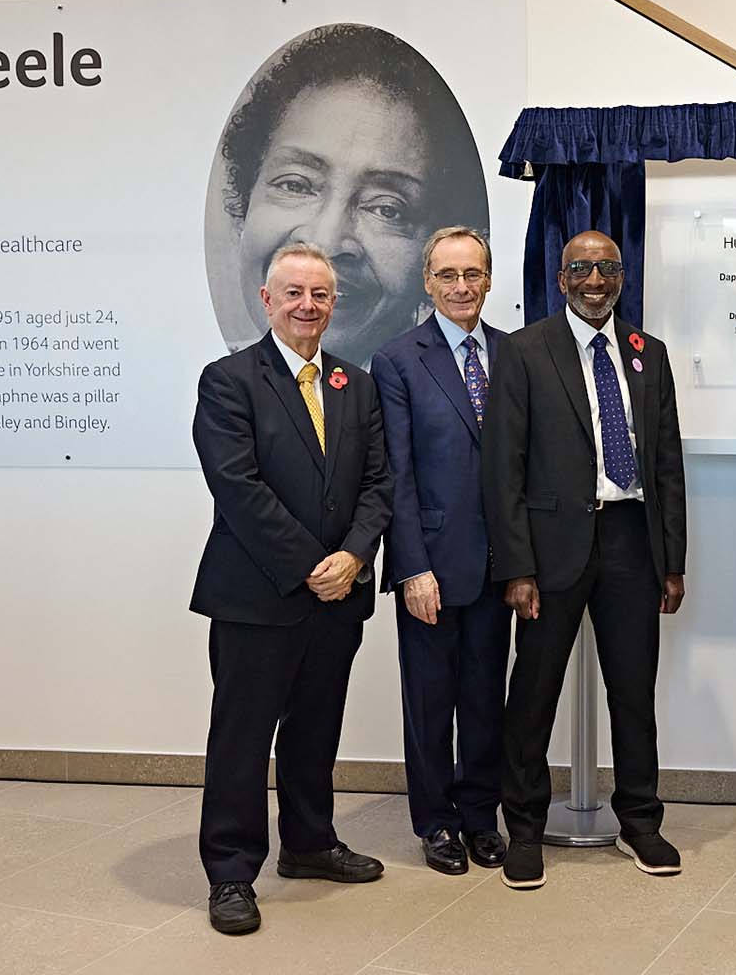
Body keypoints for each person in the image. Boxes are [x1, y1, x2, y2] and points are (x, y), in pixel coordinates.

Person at [189, 242, 394, 935]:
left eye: (321, 295)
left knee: (316, 729)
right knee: (242, 738)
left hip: (337, 596)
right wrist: (316, 563)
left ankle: (308, 844)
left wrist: (355, 557)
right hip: (259, 596)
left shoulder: (356, 386)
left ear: (334, 305)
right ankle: (230, 871)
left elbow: (377, 484)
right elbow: (240, 490)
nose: (309, 305)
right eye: (295, 293)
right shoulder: (228, 381)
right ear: (266, 300)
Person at [482, 230, 688, 890]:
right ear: (562, 275)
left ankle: (641, 821)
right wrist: (516, 567)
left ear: (621, 275)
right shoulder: (523, 351)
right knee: (533, 694)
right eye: (581, 268)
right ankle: (523, 829)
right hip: (549, 551)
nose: (595, 279)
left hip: (632, 541)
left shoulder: (646, 353)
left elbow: (667, 467)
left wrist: (672, 560)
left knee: (634, 691)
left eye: (606, 267)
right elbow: (502, 468)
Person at [205, 22, 491, 367]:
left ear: (428, 260)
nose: (324, 241)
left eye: (386, 208)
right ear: (246, 199)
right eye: (295, 184)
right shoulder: (225, 384)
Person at [371, 226, 512, 876]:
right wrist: (411, 567)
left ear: (489, 278)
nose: (462, 287)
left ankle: (482, 816)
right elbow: (394, 473)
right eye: (448, 275)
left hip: (497, 566)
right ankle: (436, 822)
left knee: (486, 698)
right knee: (430, 701)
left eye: (473, 274)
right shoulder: (398, 359)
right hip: (430, 561)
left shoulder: (514, 355)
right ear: (428, 282)